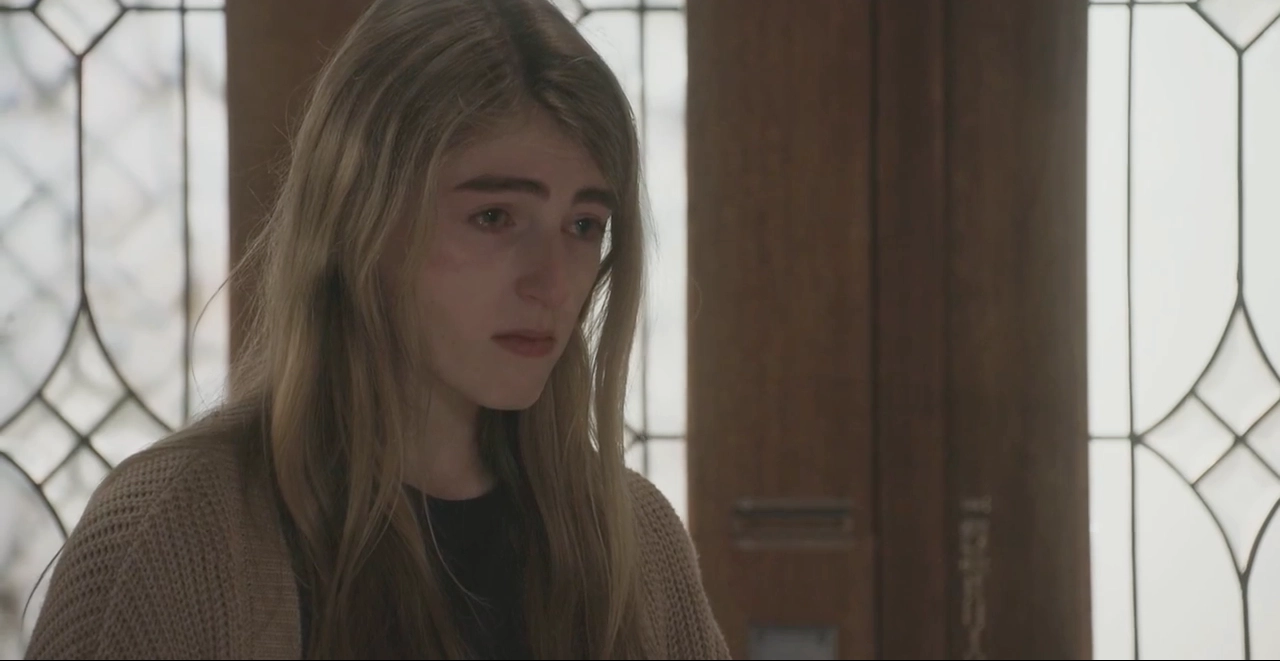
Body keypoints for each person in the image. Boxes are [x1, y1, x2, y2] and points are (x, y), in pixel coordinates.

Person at [23, 0, 730, 658]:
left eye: (583, 225)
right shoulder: (175, 536)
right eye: (494, 217)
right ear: (361, 218)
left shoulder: (635, 544)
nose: (552, 282)